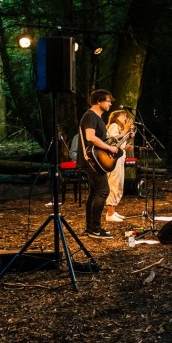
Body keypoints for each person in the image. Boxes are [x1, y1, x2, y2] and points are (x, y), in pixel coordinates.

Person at [78, 90, 119, 239]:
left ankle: (91, 228)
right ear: (99, 101)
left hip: (95, 161)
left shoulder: (98, 118)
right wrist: (109, 148)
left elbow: (102, 141)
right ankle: (95, 229)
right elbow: (90, 137)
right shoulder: (90, 116)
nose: (110, 103)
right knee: (103, 192)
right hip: (92, 162)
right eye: (108, 101)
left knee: (94, 193)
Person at [104, 109, 134, 222]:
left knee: (120, 184)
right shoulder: (113, 126)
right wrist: (126, 130)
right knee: (114, 183)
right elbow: (112, 141)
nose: (125, 119)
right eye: (123, 116)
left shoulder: (120, 129)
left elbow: (118, 145)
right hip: (114, 159)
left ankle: (113, 211)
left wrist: (126, 146)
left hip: (120, 157)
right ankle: (109, 213)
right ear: (116, 117)